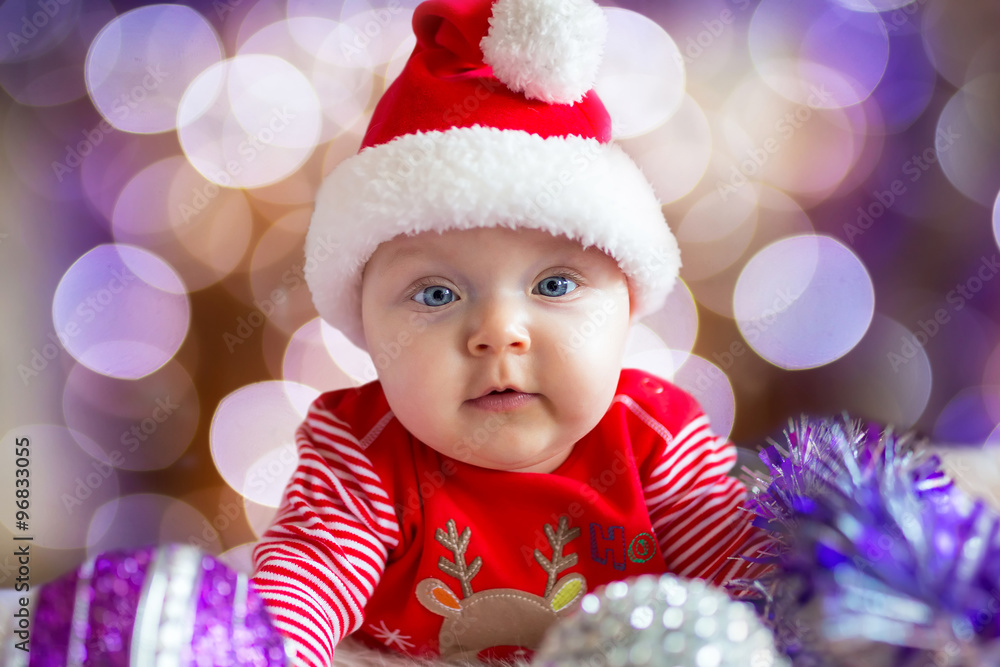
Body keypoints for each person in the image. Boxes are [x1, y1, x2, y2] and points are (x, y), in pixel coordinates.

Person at [251, 0, 770, 665]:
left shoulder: (655, 439)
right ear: (367, 331)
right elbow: (297, 589)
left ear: (628, 306)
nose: (498, 334)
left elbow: (745, 600)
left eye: (554, 285)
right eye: (436, 294)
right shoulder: (365, 453)